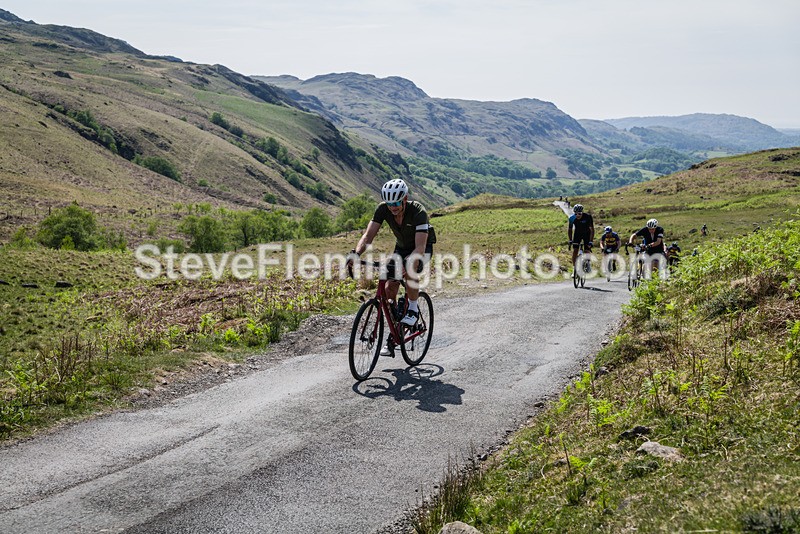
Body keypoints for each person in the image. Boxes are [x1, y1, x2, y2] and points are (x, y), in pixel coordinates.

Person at [348, 179, 435, 356]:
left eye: (396, 203)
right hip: (401, 248)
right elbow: (368, 236)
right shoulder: (383, 209)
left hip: (421, 247)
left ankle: (412, 309)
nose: (393, 207)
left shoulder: (418, 211)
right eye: (389, 204)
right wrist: (356, 253)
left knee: (411, 267)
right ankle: (396, 330)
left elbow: (419, 248)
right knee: (388, 288)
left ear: (405, 199)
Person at [568, 204, 594, 268]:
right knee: (575, 250)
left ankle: (588, 264)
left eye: (579, 213)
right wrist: (570, 240)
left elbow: (592, 230)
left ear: (582, 212)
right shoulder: (571, 218)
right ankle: (574, 268)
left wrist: (591, 241)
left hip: (587, 234)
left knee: (587, 250)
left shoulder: (588, 217)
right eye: (576, 214)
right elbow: (570, 230)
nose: (577, 215)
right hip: (577, 234)